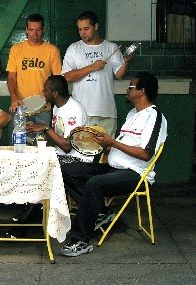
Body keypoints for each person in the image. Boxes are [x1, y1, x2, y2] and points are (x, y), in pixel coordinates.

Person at [60, 72, 167, 257]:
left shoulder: (154, 117)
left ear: (142, 91)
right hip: (113, 167)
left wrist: (112, 143)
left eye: (131, 87)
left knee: (95, 184)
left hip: (135, 173)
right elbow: (123, 146)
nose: (127, 89)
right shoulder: (133, 113)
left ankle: (81, 239)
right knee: (68, 170)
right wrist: (105, 146)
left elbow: (145, 153)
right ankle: (101, 212)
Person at [7, 75, 91, 238]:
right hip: (60, 154)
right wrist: (38, 129)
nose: (42, 92)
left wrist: (45, 128)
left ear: (55, 94)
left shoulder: (74, 110)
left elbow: (67, 147)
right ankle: (32, 213)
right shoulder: (58, 106)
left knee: (43, 172)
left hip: (77, 158)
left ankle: (25, 220)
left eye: (45, 90)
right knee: (34, 165)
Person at [62, 11, 133, 137]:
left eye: (86, 29)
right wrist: (92, 67)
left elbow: (119, 75)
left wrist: (126, 61)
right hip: (82, 112)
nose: (82, 33)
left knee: (105, 154)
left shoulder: (111, 47)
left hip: (106, 112)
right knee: (83, 152)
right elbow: (68, 76)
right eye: (79, 29)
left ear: (95, 27)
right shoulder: (74, 48)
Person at [6, 13, 62, 138]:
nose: (35, 34)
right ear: (26, 30)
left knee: (40, 145)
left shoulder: (52, 50)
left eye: (38, 30)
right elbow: (11, 77)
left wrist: (46, 95)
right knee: (18, 143)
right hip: (20, 106)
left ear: (43, 30)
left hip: (44, 108)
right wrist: (14, 98)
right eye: (31, 30)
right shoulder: (16, 49)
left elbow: (57, 79)